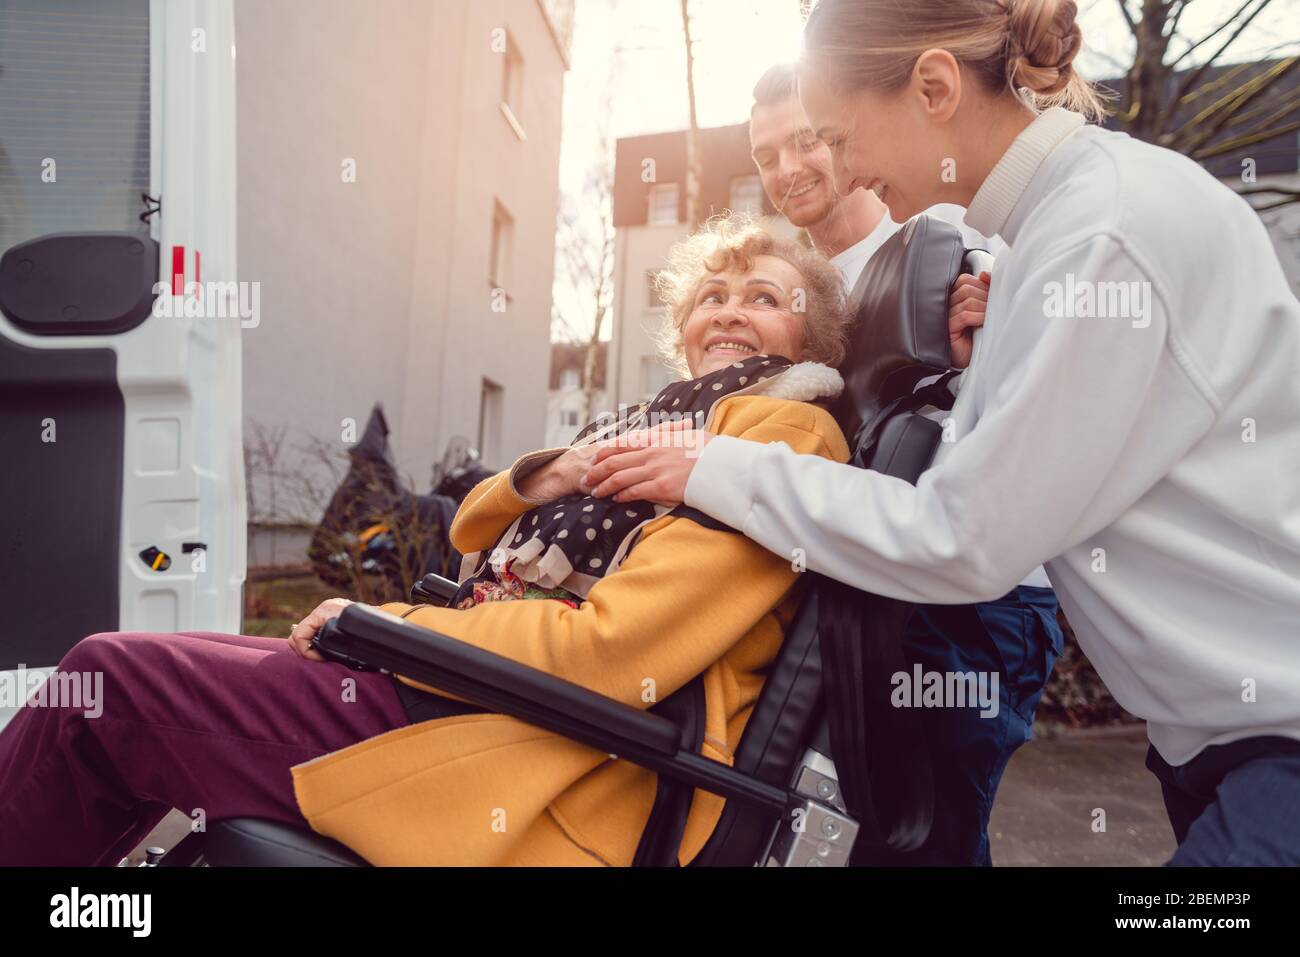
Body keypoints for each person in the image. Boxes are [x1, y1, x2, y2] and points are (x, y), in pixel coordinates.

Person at [584, 0, 1300, 866]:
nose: (840, 169)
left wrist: (713, 463)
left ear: (933, 87)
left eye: (841, 138)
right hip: (1217, 740)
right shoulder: (1053, 237)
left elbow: (961, 536)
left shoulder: (1101, 235)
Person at [0, 218, 855, 867]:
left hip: (548, 748)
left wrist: (398, 634)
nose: (731, 311)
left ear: (809, 340)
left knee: (104, 684)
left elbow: (610, 651)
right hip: (487, 691)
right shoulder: (661, 420)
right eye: (714, 296)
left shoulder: (778, 433)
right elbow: (468, 529)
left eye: (766, 298)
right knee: (128, 671)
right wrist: (544, 476)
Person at [745, 60, 1065, 866]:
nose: (787, 170)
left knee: (939, 838)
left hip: (974, 603)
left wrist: (999, 330)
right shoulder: (800, 294)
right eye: (763, 156)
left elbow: (1054, 387)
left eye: (807, 141)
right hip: (866, 590)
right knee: (868, 839)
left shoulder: (949, 237)